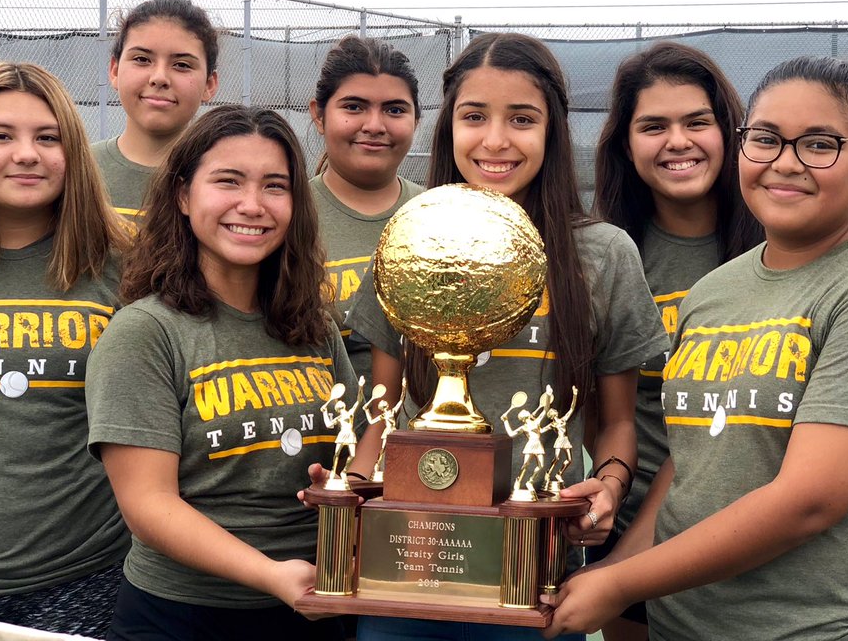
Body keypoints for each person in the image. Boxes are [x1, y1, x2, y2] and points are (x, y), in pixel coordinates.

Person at [545, 56, 848, 641]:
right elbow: (685, 467)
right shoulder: (715, 291)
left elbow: (808, 502)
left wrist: (620, 586)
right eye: (765, 140)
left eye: (819, 144)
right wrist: (615, 571)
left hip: (832, 627)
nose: (785, 163)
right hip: (686, 623)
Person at [345, 32, 668, 641]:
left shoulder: (601, 255)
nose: (495, 140)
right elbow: (383, 408)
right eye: (474, 117)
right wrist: (352, 498)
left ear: (552, 130)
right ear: (449, 128)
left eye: (522, 119)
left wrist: (609, 488)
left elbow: (618, 420)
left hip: (540, 577)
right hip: (411, 569)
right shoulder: (407, 237)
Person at [85, 105, 354, 641]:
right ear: (184, 197)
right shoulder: (145, 332)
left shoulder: (313, 327)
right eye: (228, 181)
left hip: (314, 607)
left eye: (275, 186)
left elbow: (357, 439)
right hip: (182, 617)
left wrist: (346, 489)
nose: (252, 205)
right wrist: (271, 576)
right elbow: (147, 505)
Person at [0, 62, 131, 637]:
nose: (26, 154)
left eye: (48, 137)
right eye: (0, 136)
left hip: (85, 578)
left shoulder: (124, 267)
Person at [590, 41, 763, 640]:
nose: (678, 142)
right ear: (625, 143)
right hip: (629, 534)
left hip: (751, 540)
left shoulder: (782, 243)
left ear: (731, 133)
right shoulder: (605, 255)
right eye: (653, 126)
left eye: (697, 122)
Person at [308, 36, 424, 393]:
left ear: (417, 120)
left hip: (424, 439)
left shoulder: (439, 214)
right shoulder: (283, 215)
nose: (375, 125)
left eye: (394, 110)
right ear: (318, 115)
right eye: (354, 107)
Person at [93, 0, 220, 222]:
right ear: (114, 71)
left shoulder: (228, 177)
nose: (159, 78)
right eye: (142, 59)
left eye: (181, 65)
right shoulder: (75, 167)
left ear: (209, 85)